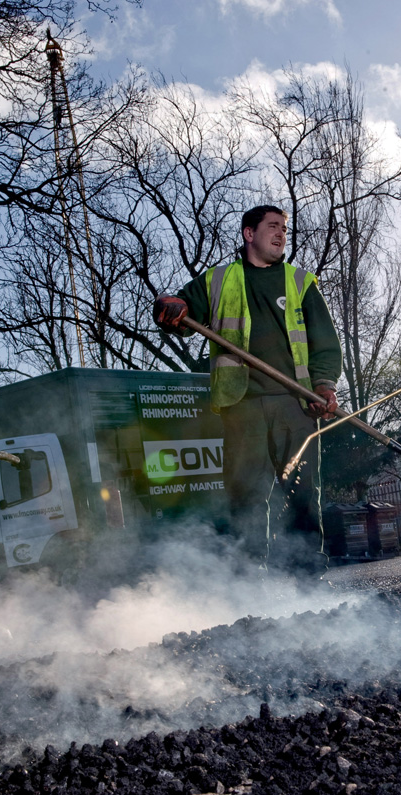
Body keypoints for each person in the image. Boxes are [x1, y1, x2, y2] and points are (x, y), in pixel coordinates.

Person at [152, 205, 342, 574]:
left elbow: (325, 342)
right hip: (243, 405)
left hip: (296, 405)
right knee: (246, 496)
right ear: (248, 233)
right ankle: (249, 584)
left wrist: (323, 385)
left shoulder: (300, 282)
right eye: (273, 227)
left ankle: (309, 578)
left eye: (285, 229)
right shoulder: (219, 280)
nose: (281, 235)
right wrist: (171, 307)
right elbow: (182, 310)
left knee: (302, 494)